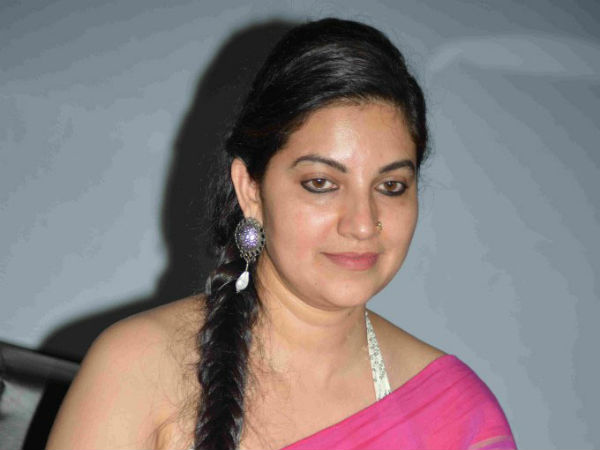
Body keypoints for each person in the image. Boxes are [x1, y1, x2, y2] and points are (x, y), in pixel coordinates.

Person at [46, 18, 516, 450]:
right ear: (250, 190)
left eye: (391, 187)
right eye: (321, 184)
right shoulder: (137, 367)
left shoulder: (457, 414)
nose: (361, 223)